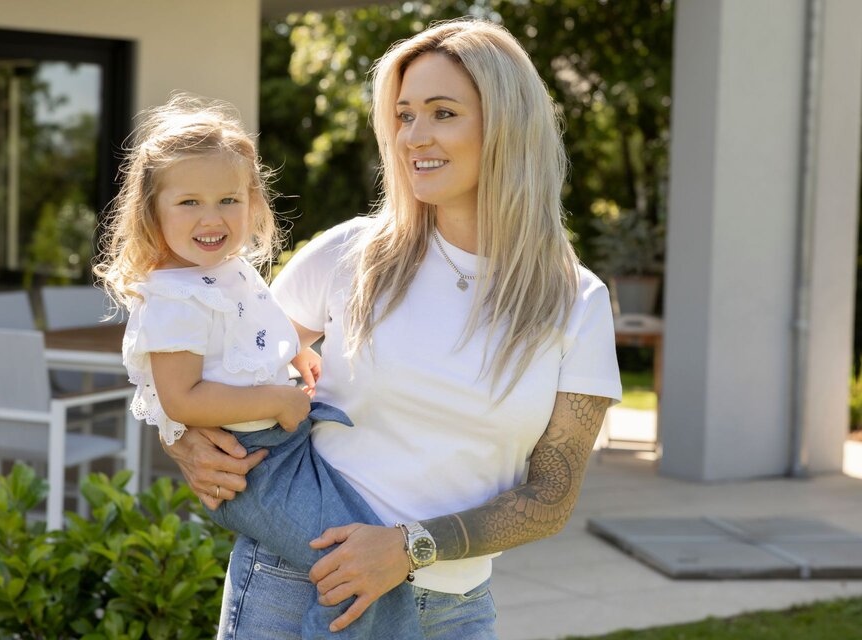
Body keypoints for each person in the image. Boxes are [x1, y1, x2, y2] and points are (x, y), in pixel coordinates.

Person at [163, 18, 623, 640]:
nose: (415, 136)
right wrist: (180, 433)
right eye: (404, 116)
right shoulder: (352, 253)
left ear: (507, 125)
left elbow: (551, 496)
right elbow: (194, 343)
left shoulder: (576, 300)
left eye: (442, 112)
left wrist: (410, 547)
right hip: (300, 580)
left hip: (454, 610)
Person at [93, 93, 423, 639]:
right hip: (253, 467)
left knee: (367, 552)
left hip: (280, 451)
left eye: (228, 199)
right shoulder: (175, 298)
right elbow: (184, 400)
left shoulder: (227, 270)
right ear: (152, 211)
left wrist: (293, 352)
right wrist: (275, 399)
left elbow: (253, 325)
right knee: (352, 572)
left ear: (252, 202)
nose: (211, 218)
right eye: (188, 202)